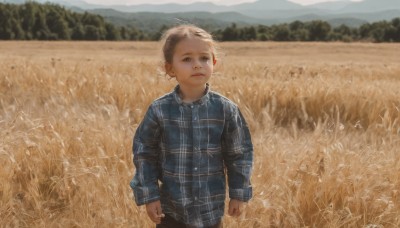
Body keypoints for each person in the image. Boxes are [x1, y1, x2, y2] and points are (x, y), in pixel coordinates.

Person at [130, 24, 253, 228]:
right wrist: (149, 195)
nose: (197, 64)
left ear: (214, 62)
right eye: (187, 59)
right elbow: (144, 154)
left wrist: (239, 194)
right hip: (171, 211)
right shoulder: (159, 110)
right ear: (170, 68)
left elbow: (239, 154)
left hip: (211, 211)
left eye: (204, 58)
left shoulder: (225, 110)